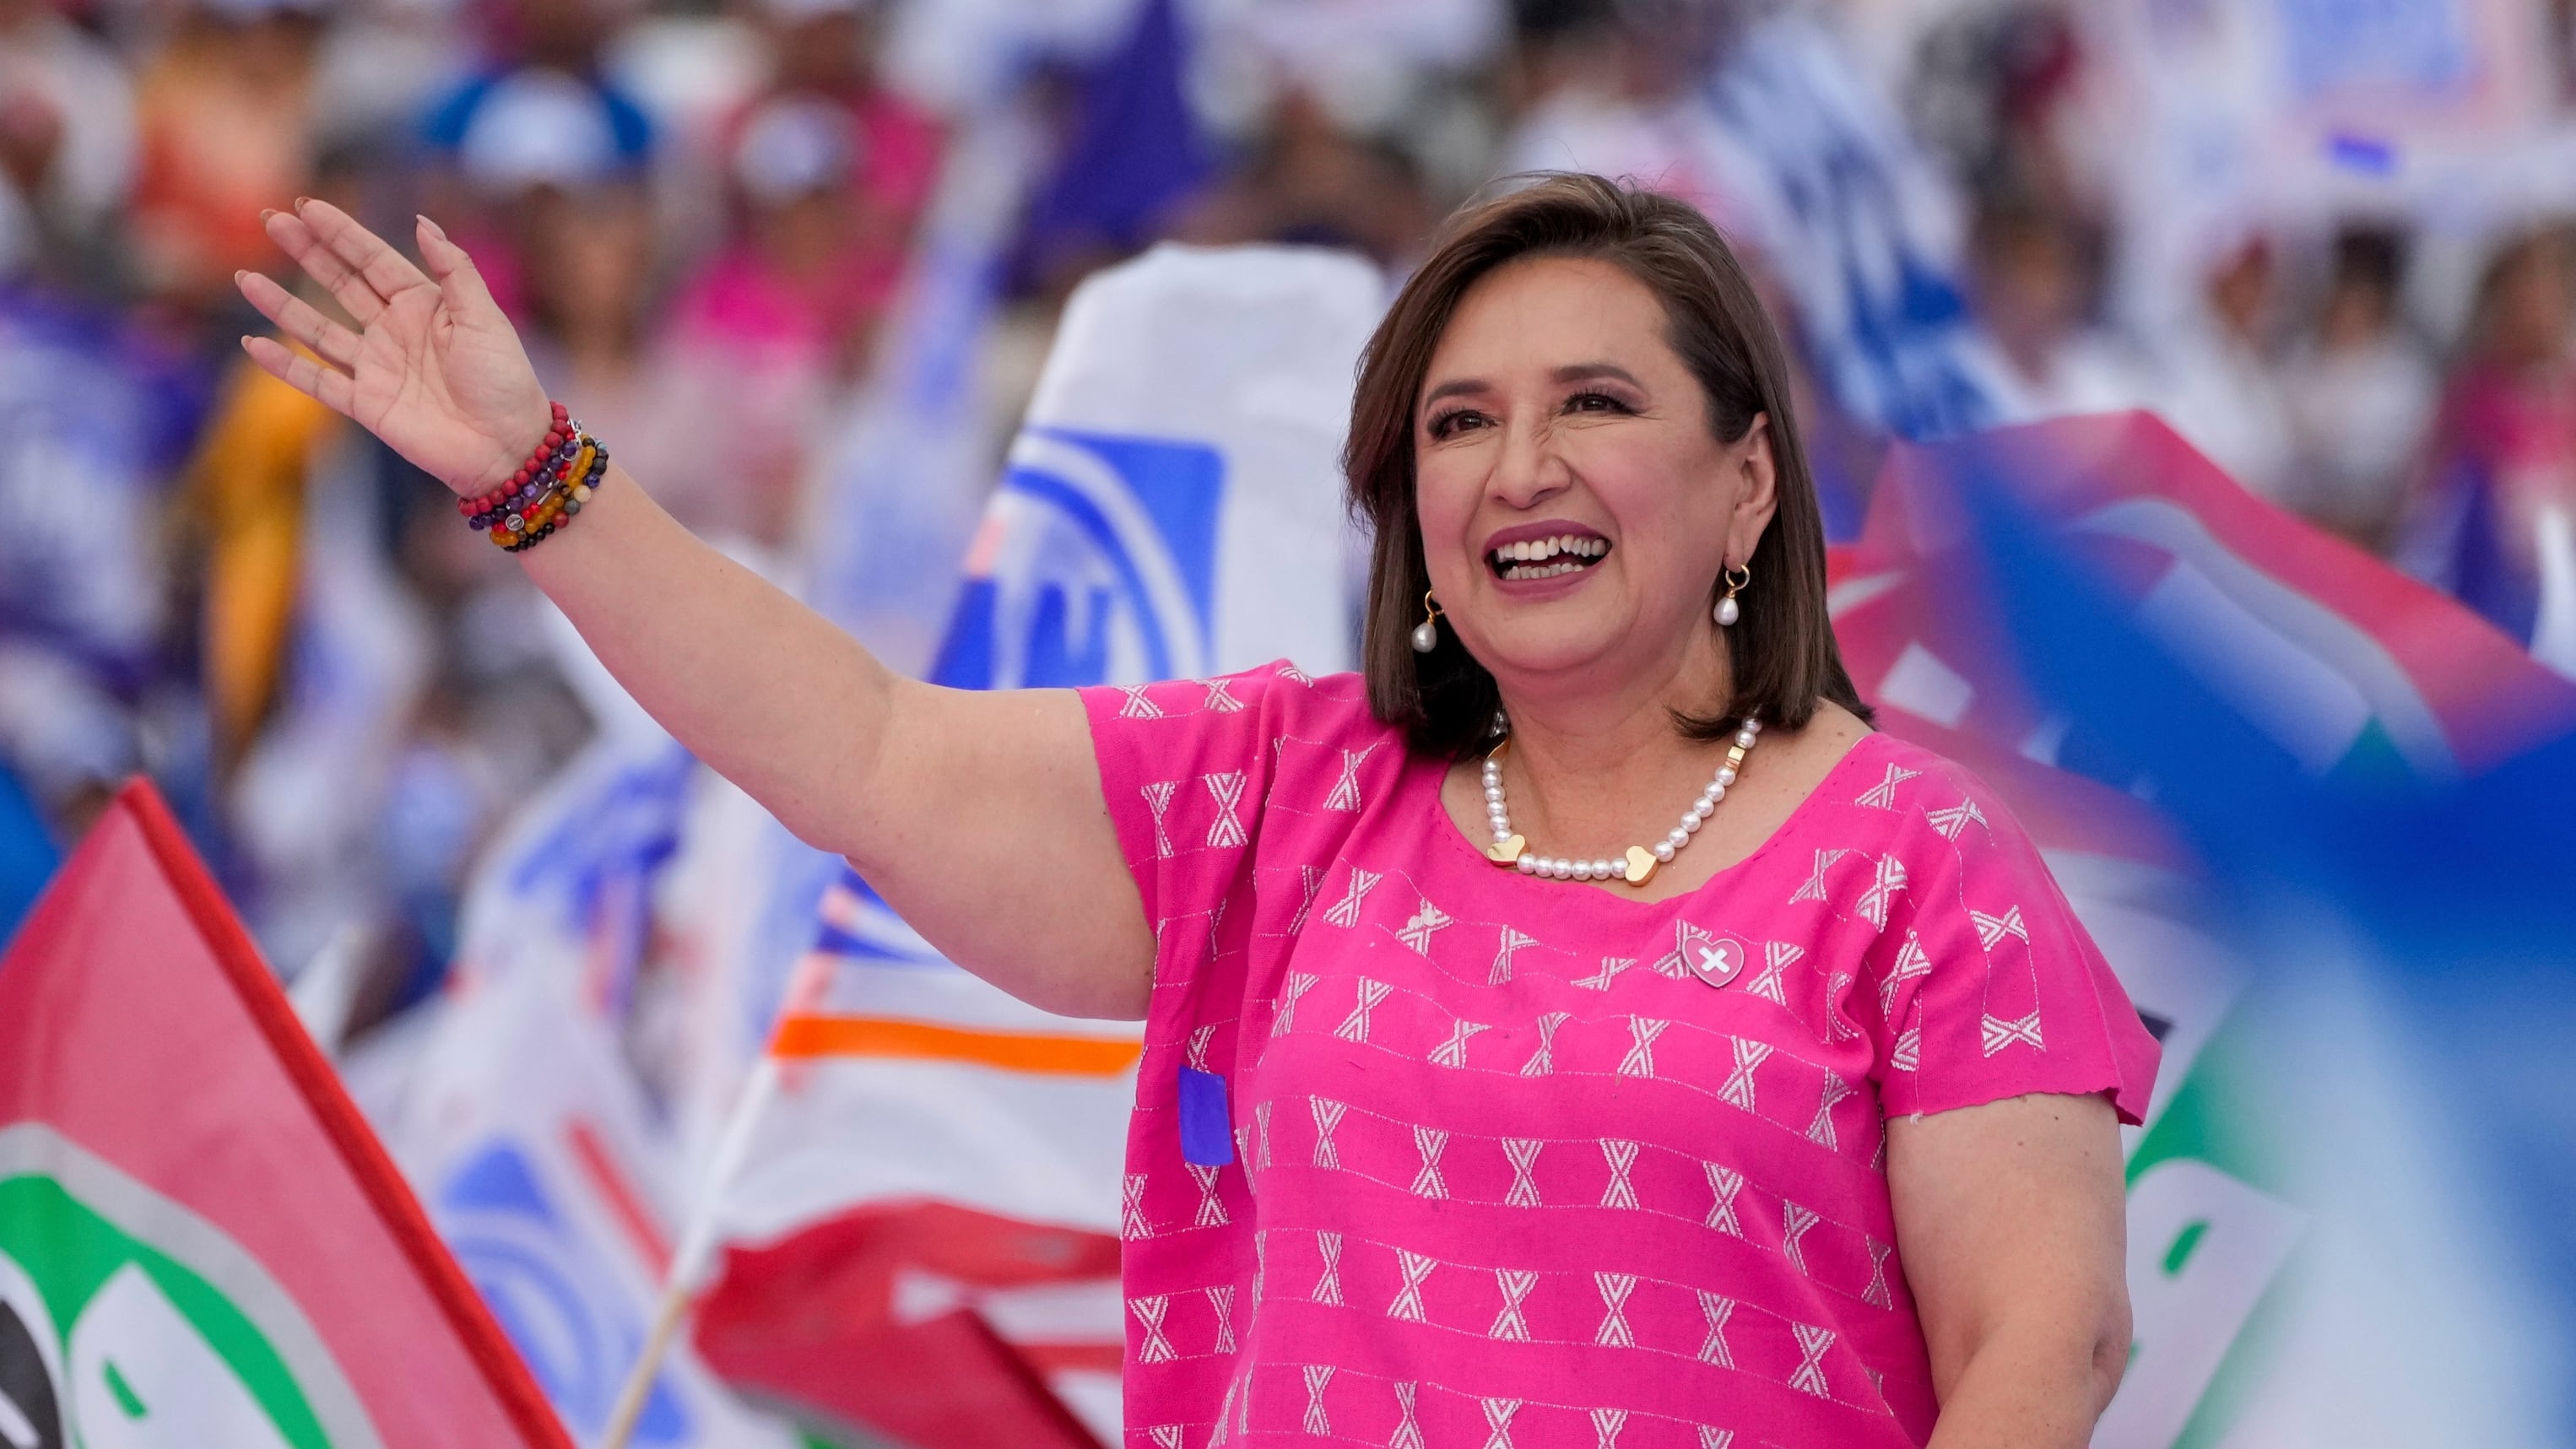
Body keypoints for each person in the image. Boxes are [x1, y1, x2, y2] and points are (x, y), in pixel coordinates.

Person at [236, 172, 2156, 1446]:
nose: (1519, 466)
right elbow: (870, 754)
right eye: (1456, 421)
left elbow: (2040, 1343)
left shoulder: (1919, 864)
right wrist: (539, 481)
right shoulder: (1287, 795)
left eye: (1594, 403)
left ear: (1746, 488)